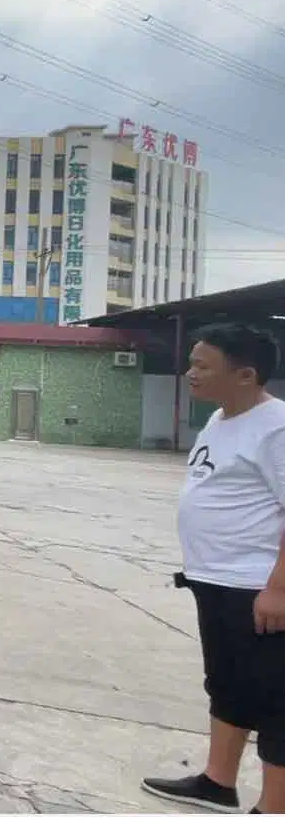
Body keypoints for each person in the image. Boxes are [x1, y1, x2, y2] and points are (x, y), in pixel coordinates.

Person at [143, 323, 285, 814]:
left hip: (259, 586)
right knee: (225, 684)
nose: (190, 374)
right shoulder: (221, 419)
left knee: (275, 700)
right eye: (192, 363)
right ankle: (217, 781)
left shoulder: (277, 427)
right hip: (217, 579)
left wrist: (279, 589)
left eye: (203, 366)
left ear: (246, 374)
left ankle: (274, 805)